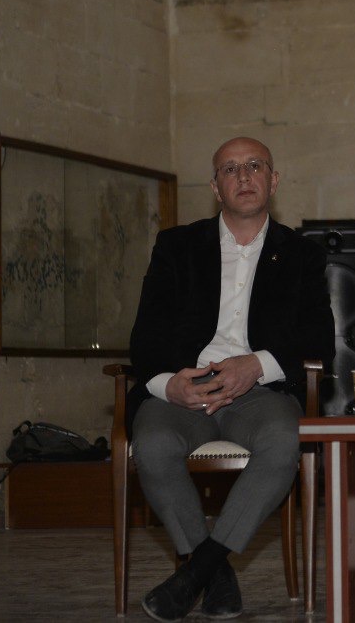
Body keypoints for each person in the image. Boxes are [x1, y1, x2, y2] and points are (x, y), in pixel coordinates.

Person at [128, 137, 334, 622]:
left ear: (273, 181)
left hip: (261, 392)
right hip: (187, 388)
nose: (243, 177)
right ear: (215, 188)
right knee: (152, 444)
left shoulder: (301, 254)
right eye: (230, 169)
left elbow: (319, 339)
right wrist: (168, 384)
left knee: (284, 440)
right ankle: (215, 574)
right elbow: (145, 335)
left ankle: (199, 570)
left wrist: (256, 365)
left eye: (254, 166)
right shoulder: (177, 246)